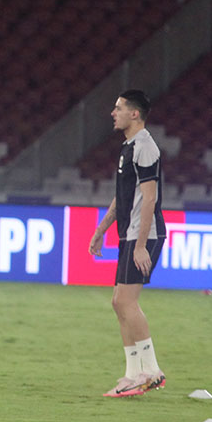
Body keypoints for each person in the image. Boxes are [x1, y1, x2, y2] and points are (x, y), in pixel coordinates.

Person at [90, 90, 167, 398]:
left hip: (143, 236)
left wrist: (139, 245)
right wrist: (101, 229)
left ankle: (151, 372)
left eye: (119, 107)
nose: (113, 112)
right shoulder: (129, 147)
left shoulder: (146, 147)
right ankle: (132, 373)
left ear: (135, 114)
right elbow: (123, 195)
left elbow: (150, 197)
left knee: (126, 302)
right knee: (117, 302)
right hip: (129, 235)